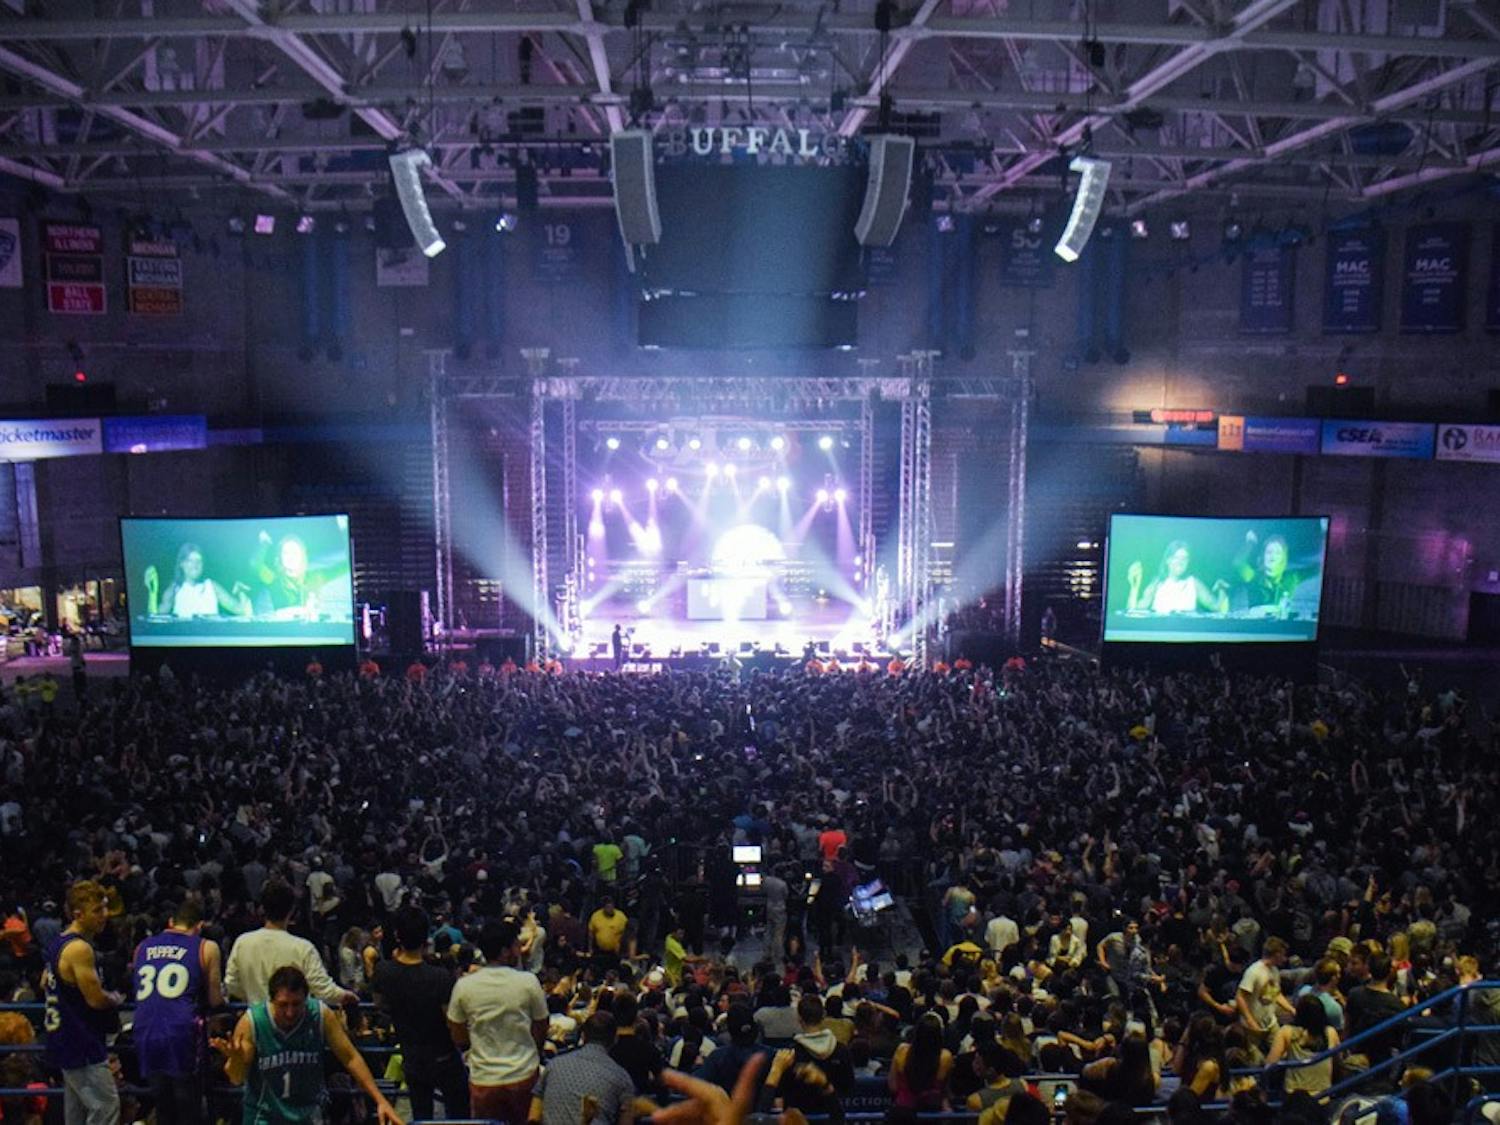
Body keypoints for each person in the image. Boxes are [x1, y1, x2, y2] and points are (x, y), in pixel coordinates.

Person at [215, 965, 403, 1125]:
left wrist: (380, 1100)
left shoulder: (320, 1015)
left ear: (307, 998)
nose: (290, 1012)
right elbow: (236, 1078)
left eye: (296, 1004)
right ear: (271, 1000)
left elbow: (350, 1057)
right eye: (283, 1005)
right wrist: (235, 1060)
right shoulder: (252, 1022)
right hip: (264, 1116)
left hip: (309, 1115)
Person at [130, 896, 225, 1125]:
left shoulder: (142, 947)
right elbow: (215, 999)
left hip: (145, 1030)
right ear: (199, 926)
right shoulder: (206, 947)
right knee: (188, 1108)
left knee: (163, 1108)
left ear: (171, 922)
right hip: (181, 1033)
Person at [446, 918, 548, 1125]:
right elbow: (541, 1026)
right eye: (515, 945)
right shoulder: (528, 982)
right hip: (524, 1074)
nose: (519, 950)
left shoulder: (464, 986)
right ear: (505, 950)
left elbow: (456, 1032)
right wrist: (531, 1048)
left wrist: (475, 1045)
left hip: (484, 1078)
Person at [372, 906, 469, 1121]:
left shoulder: (384, 971)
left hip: (411, 1055)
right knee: (460, 1112)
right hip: (444, 1055)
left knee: (421, 1114)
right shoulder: (441, 977)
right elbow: (450, 1020)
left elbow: (379, 1004)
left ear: (397, 935)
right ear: (426, 936)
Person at [43, 881, 124, 1125]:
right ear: (79, 914)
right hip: (81, 1042)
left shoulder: (57, 943)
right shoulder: (79, 949)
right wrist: (114, 998)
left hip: (63, 1038)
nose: (104, 916)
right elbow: (96, 999)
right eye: (97, 910)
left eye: (105, 908)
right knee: (106, 1108)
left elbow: (43, 982)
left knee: (76, 1114)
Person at [224, 881, 358, 1009]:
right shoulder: (303, 948)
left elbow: (232, 985)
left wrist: (253, 995)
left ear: (262, 908)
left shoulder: (243, 943)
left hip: (256, 1022)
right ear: (292, 910)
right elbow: (324, 990)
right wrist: (345, 996)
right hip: (293, 1024)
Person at [530, 1012, 636, 1125]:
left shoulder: (553, 1066)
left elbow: (533, 1117)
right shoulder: (622, 1079)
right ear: (615, 1039)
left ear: (583, 1036)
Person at [144, 543, 250, 619]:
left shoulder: (211, 586)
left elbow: (242, 611)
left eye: (199, 561)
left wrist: (241, 592)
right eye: (190, 561)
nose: (195, 565)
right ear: (182, 564)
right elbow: (154, 618)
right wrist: (152, 593)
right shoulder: (174, 589)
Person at [1126, 541, 1228, 614]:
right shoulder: (1157, 583)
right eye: (1176, 557)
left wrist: (1222, 589)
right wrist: (1134, 588)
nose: (1180, 562)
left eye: (1184, 558)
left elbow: (1219, 608)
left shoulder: (1193, 583)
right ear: (1167, 560)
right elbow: (1134, 611)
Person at [1264, 994, 1338, 1096]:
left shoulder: (1286, 1032)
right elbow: (1339, 1060)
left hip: (1294, 1099)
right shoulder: (1331, 1032)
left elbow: (1270, 1064)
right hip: (1323, 1096)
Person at [1232, 531, 1315, 613]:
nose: (1273, 557)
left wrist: (1325, 533)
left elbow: (1318, 568)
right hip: (1258, 625)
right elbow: (1238, 563)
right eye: (1269, 552)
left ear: (1283, 557)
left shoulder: (1292, 577)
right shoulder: (1253, 577)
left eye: (1278, 553)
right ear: (1263, 556)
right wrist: (1250, 543)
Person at [1237, 937, 1295, 1051]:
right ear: (1277, 954)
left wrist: (1291, 1009)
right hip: (1252, 1025)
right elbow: (1240, 997)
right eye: (1283, 954)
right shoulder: (1254, 972)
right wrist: (1250, 1021)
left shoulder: (1274, 971)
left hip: (1270, 1022)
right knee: (1253, 1058)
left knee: (1281, 1051)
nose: (1284, 958)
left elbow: (1276, 994)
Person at [888, 1012, 953, 1112]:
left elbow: (893, 1087)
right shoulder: (946, 1057)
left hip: (903, 1112)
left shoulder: (901, 1050)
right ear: (939, 1035)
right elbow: (946, 1091)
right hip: (932, 1114)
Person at [588, 897, 628, 972]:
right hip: (600, 951)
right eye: (607, 907)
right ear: (603, 907)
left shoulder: (621, 917)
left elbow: (627, 934)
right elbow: (591, 933)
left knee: (613, 971)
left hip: (615, 952)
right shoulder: (596, 916)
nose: (610, 909)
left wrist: (623, 948)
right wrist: (590, 948)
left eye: (611, 906)